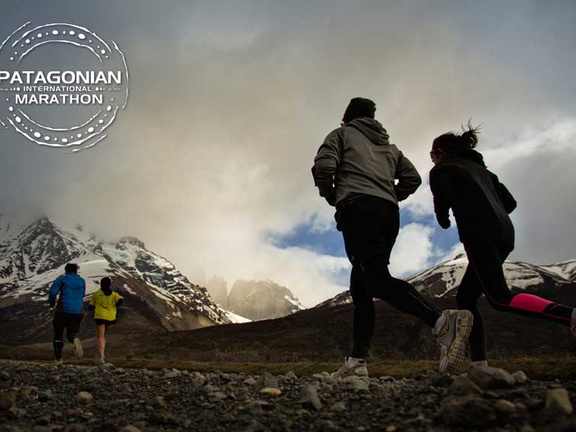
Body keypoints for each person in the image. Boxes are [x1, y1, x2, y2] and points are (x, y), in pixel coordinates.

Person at [312, 97, 473, 376]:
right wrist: (389, 194)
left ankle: (441, 322)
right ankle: (356, 362)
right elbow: (413, 178)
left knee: (375, 279)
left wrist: (332, 195)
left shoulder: (340, 135)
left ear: (347, 118)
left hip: (358, 209)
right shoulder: (390, 148)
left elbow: (324, 167)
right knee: (361, 285)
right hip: (388, 213)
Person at [429, 123, 576, 367]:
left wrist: (445, 217)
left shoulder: (442, 169)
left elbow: (441, 199)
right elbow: (510, 203)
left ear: (440, 152)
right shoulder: (484, 172)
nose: (432, 160)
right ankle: (479, 364)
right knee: (466, 298)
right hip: (505, 234)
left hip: (479, 234)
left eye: (432, 155)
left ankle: (569, 315)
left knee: (499, 298)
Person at [48, 263, 86, 365]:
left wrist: (52, 304)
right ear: (76, 271)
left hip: (63, 310)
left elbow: (52, 293)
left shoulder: (62, 279)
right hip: (78, 311)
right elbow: (82, 294)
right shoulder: (82, 281)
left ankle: (58, 360)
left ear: (66, 270)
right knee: (71, 333)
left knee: (58, 333)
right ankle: (74, 339)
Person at [89, 277, 124, 366]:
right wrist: (115, 305)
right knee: (103, 336)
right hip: (111, 317)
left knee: (100, 336)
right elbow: (121, 300)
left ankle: (101, 357)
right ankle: (103, 355)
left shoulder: (96, 294)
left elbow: (90, 306)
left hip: (100, 316)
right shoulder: (114, 294)